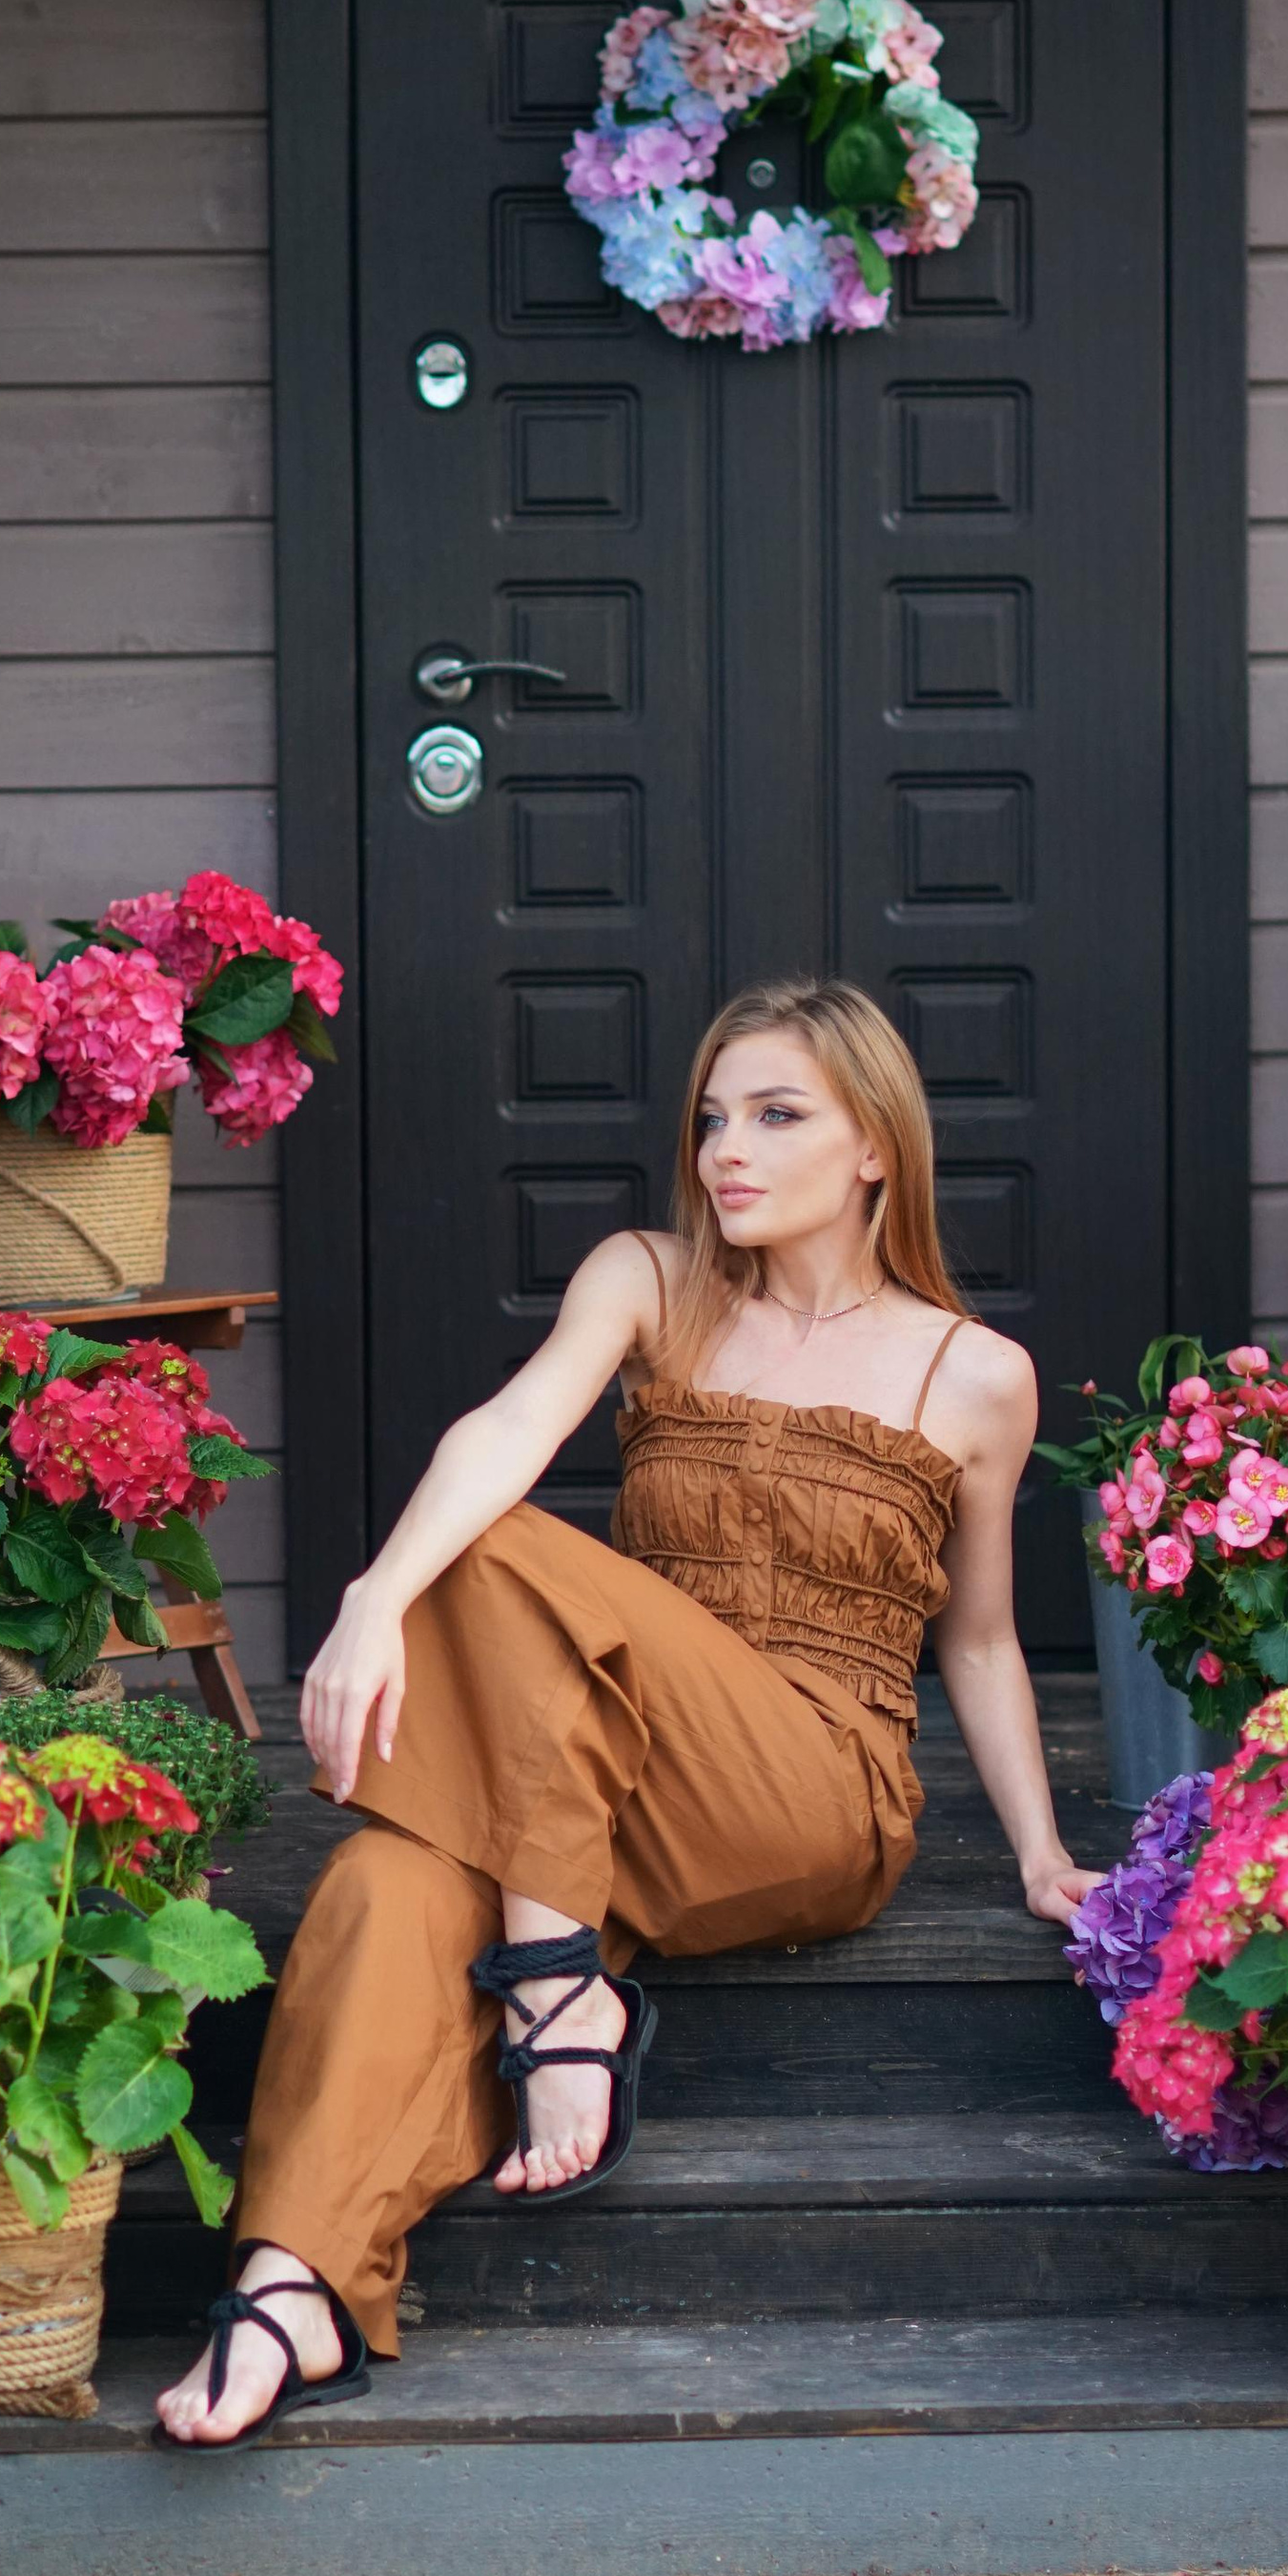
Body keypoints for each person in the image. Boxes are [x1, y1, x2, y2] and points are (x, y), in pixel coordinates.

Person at [155, 977, 1101, 2450]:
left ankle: (554, 1991)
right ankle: (290, 2284)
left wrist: (1040, 1855)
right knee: (382, 1878)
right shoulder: (652, 1280)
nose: (730, 1147)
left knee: (505, 1549)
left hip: (813, 1796)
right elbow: (510, 1426)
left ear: (874, 1149)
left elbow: (979, 1640)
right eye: (716, 1115)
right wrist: (370, 1598)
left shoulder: (971, 1372)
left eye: (779, 1114)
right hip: (601, 1775)